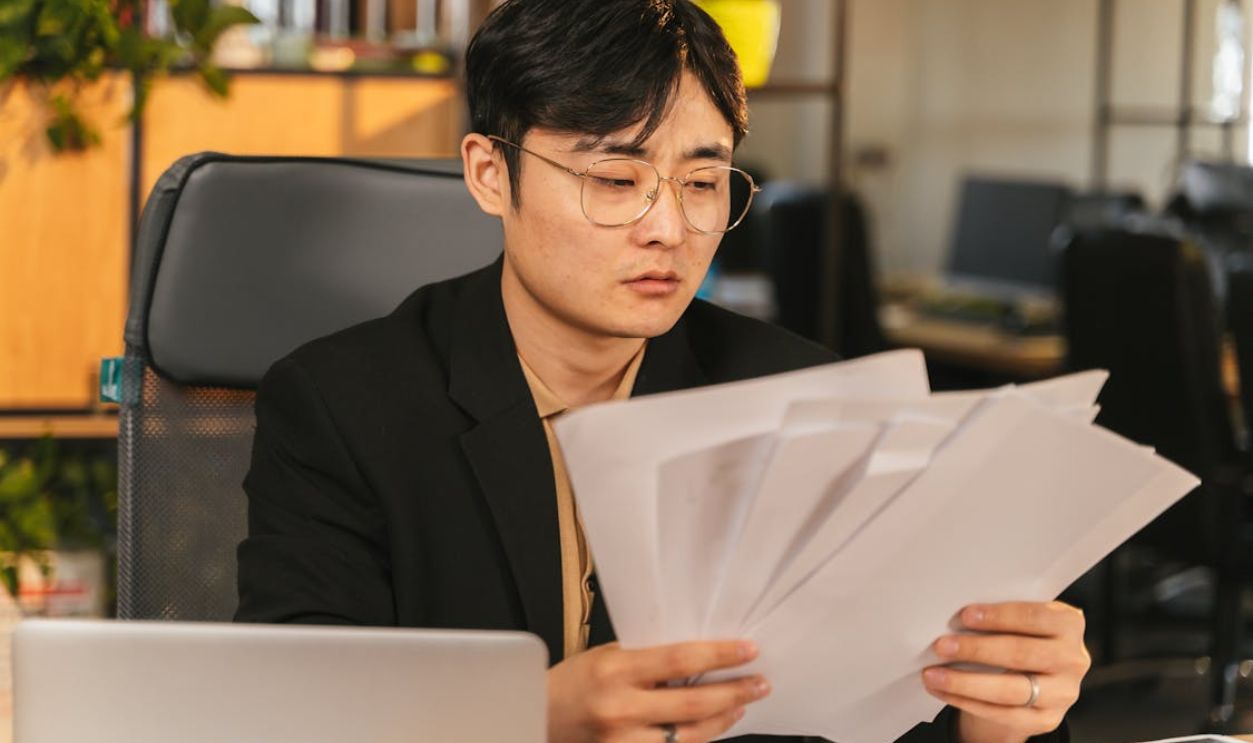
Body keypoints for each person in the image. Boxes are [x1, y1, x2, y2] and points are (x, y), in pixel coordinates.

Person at [235, 1, 1090, 742]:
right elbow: (297, 714)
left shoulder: (795, 395)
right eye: (616, 179)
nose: (668, 228)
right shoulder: (345, 405)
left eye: (702, 182)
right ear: (491, 174)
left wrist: (991, 716)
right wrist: (530, 717)